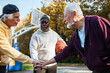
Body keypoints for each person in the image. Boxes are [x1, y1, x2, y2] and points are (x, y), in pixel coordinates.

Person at [35, 2, 110, 73]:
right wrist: (45, 63)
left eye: (65, 16)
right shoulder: (75, 38)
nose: (64, 20)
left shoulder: (96, 22)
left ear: (74, 13)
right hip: (97, 70)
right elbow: (64, 53)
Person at [0, 4, 41, 73]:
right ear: (6, 17)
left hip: (3, 65)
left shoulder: (7, 25)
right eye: (16, 17)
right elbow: (9, 50)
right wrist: (32, 61)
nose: (19, 20)